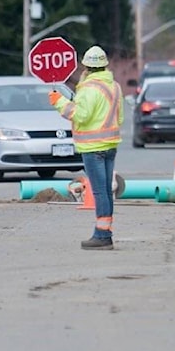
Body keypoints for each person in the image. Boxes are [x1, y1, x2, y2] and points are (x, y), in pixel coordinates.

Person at [49, 45, 124, 250]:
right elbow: (121, 116)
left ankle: (102, 236)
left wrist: (59, 102)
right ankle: (105, 233)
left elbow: (80, 115)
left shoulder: (89, 89)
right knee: (106, 192)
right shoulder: (115, 86)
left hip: (93, 147)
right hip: (110, 145)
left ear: (87, 68)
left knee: (99, 192)